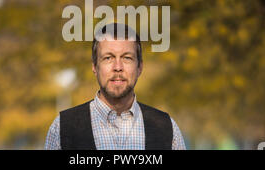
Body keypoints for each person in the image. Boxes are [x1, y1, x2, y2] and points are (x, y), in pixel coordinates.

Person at [44, 23, 186, 150]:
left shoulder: (166, 128)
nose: (118, 67)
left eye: (127, 58)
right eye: (108, 58)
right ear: (94, 66)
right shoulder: (63, 128)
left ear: (140, 67)